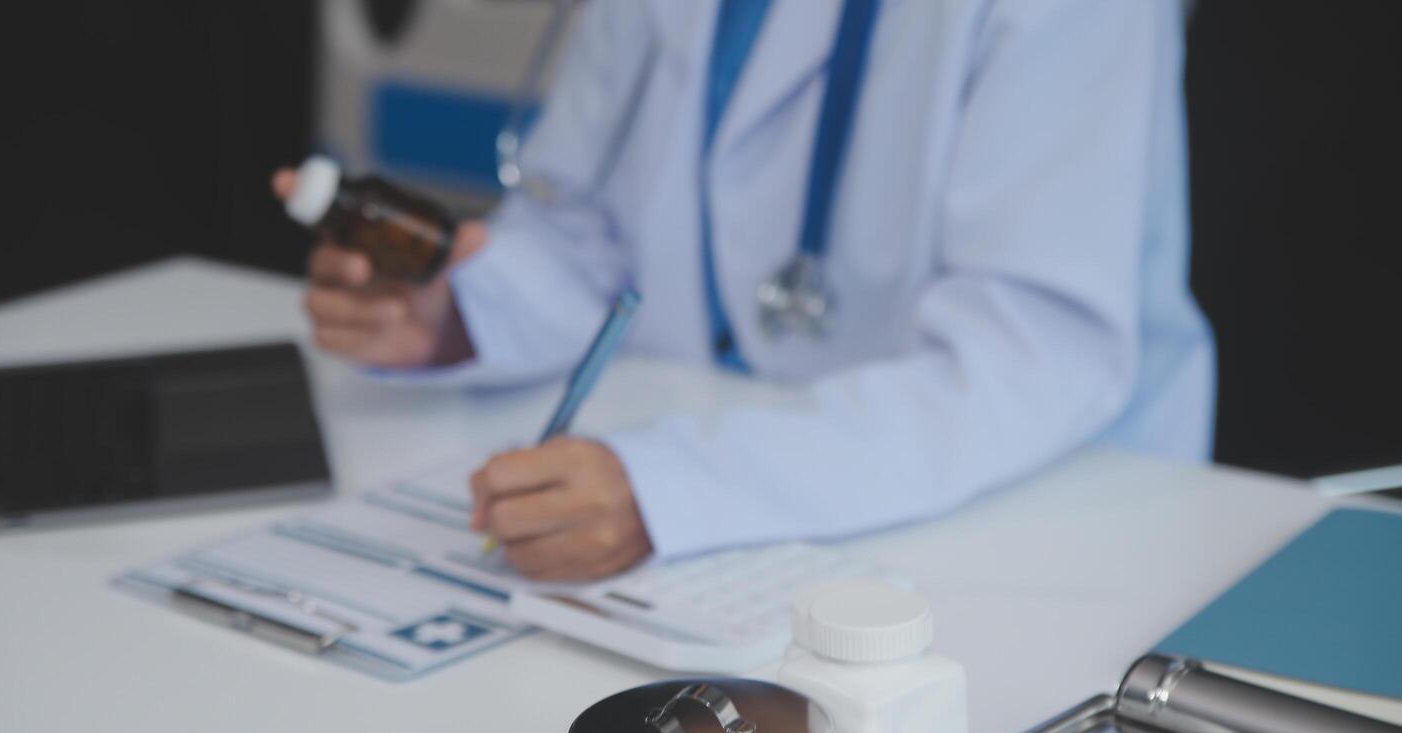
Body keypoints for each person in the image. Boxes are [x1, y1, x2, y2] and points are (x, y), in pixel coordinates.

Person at [274, 0, 1213, 582]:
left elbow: (1029, 355)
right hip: (725, 496)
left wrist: (676, 486)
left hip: (1035, 529)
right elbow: (587, 227)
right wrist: (455, 318)